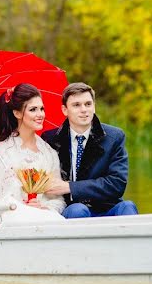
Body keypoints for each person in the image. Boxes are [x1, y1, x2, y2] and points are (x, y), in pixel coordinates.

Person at [0, 83, 66, 214]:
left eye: (42, 109)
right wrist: (3, 186)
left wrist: (43, 207)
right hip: (5, 221)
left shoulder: (48, 153)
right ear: (17, 113)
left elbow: (58, 200)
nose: (40, 114)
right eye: (33, 109)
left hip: (41, 220)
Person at [43, 82, 138, 218]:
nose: (84, 109)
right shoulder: (51, 139)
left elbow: (117, 184)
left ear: (94, 107)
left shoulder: (114, 137)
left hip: (107, 208)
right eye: (76, 105)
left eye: (88, 104)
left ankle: (133, 239)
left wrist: (70, 187)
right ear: (65, 110)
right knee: (78, 210)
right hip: (72, 209)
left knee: (128, 206)